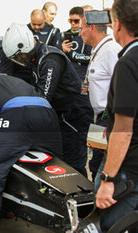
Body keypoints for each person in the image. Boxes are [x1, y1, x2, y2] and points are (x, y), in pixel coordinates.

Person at [0, 72, 63, 233]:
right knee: (54, 171)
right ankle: (70, 221)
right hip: (48, 113)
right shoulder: (6, 79)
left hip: (18, 116)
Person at [2, 23, 88, 176]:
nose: (20, 59)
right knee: (60, 161)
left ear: (25, 46)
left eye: (19, 56)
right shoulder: (36, 57)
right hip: (60, 114)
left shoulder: (50, 59)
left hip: (72, 115)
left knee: (73, 163)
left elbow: (43, 97)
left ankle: (85, 197)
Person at [95, 0, 138, 231]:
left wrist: (108, 181)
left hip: (127, 174)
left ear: (117, 24)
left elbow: (124, 130)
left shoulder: (129, 63)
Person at [79, 10, 121, 180]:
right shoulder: (98, 50)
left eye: (82, 28)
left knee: (100, 167)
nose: (80, 33)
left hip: (109, 118)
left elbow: (125, 85)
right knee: (94, 164)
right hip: (98, 119)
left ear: (93, 28)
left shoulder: (111, 50)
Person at [61, 6, 94, 179]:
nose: (73, 25)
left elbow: (90, 58)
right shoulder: (64, 35)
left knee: (85, 128)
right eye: (70, 20)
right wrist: (62, 51)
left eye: (76, 21)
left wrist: (71, 54)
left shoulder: (88, 35)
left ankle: (87, 161)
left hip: (86, 91)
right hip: (69, 90)